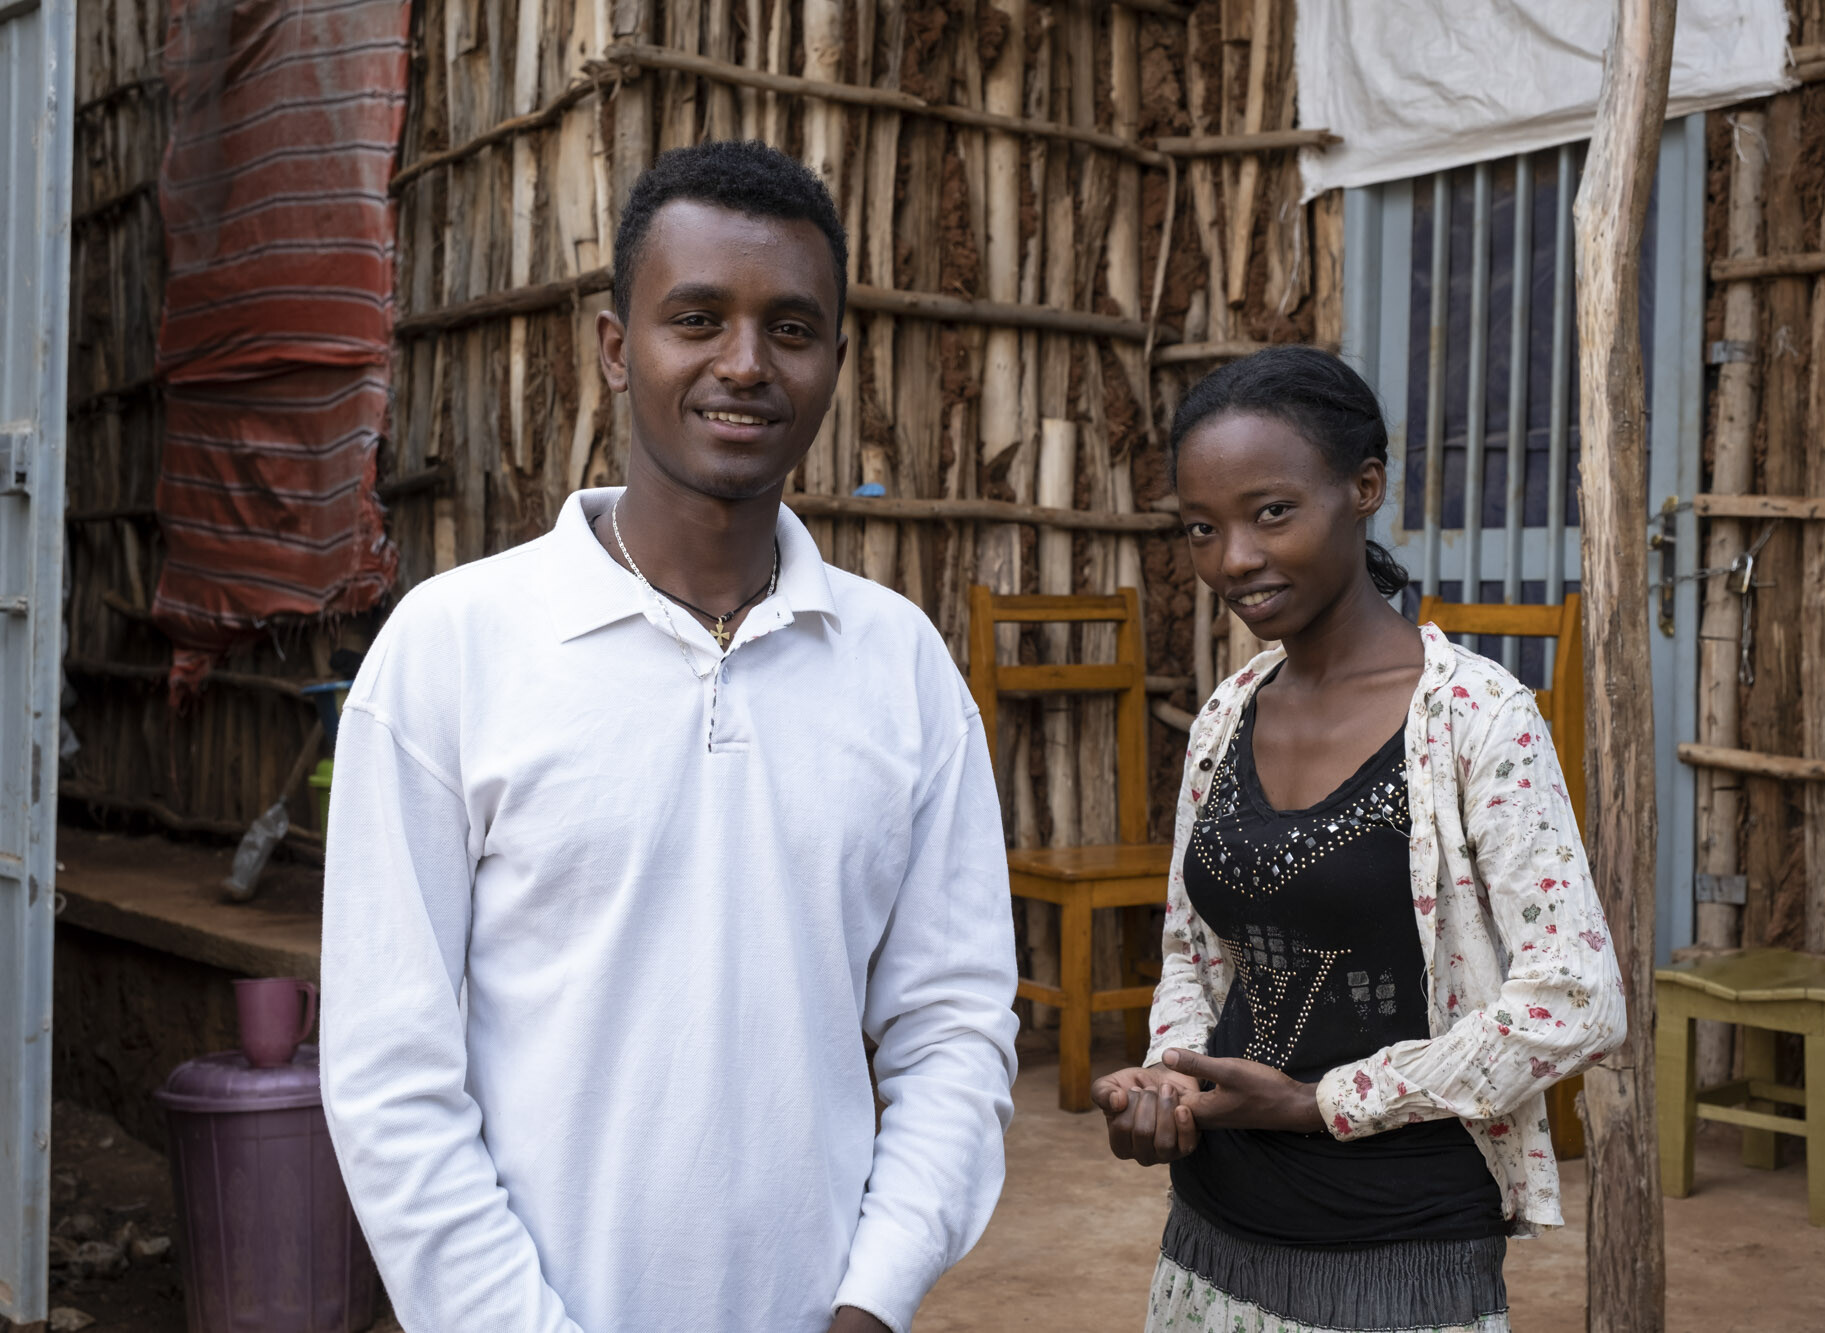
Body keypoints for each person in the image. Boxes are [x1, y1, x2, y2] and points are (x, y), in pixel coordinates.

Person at [319, 140, 1019, 1333]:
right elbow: (390, 1072)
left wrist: (873, 1295)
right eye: (696, 318)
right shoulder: (453, 650)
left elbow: (952, 1026)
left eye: (789, 329)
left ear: (835, 363)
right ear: (613, 348)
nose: (743, 364)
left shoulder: (899, 669)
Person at [1091, 346, 1626, 1333]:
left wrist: (1321, 1100)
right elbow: (1189, 950)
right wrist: (1170, 1075)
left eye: (1270, 513)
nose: (1233, 559)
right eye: (1201, 529)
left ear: (1363, 487)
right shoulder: (1224, 717)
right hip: (1215, 1223)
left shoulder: (1475, 718)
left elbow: (1574, 1001)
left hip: (1398, 1242)